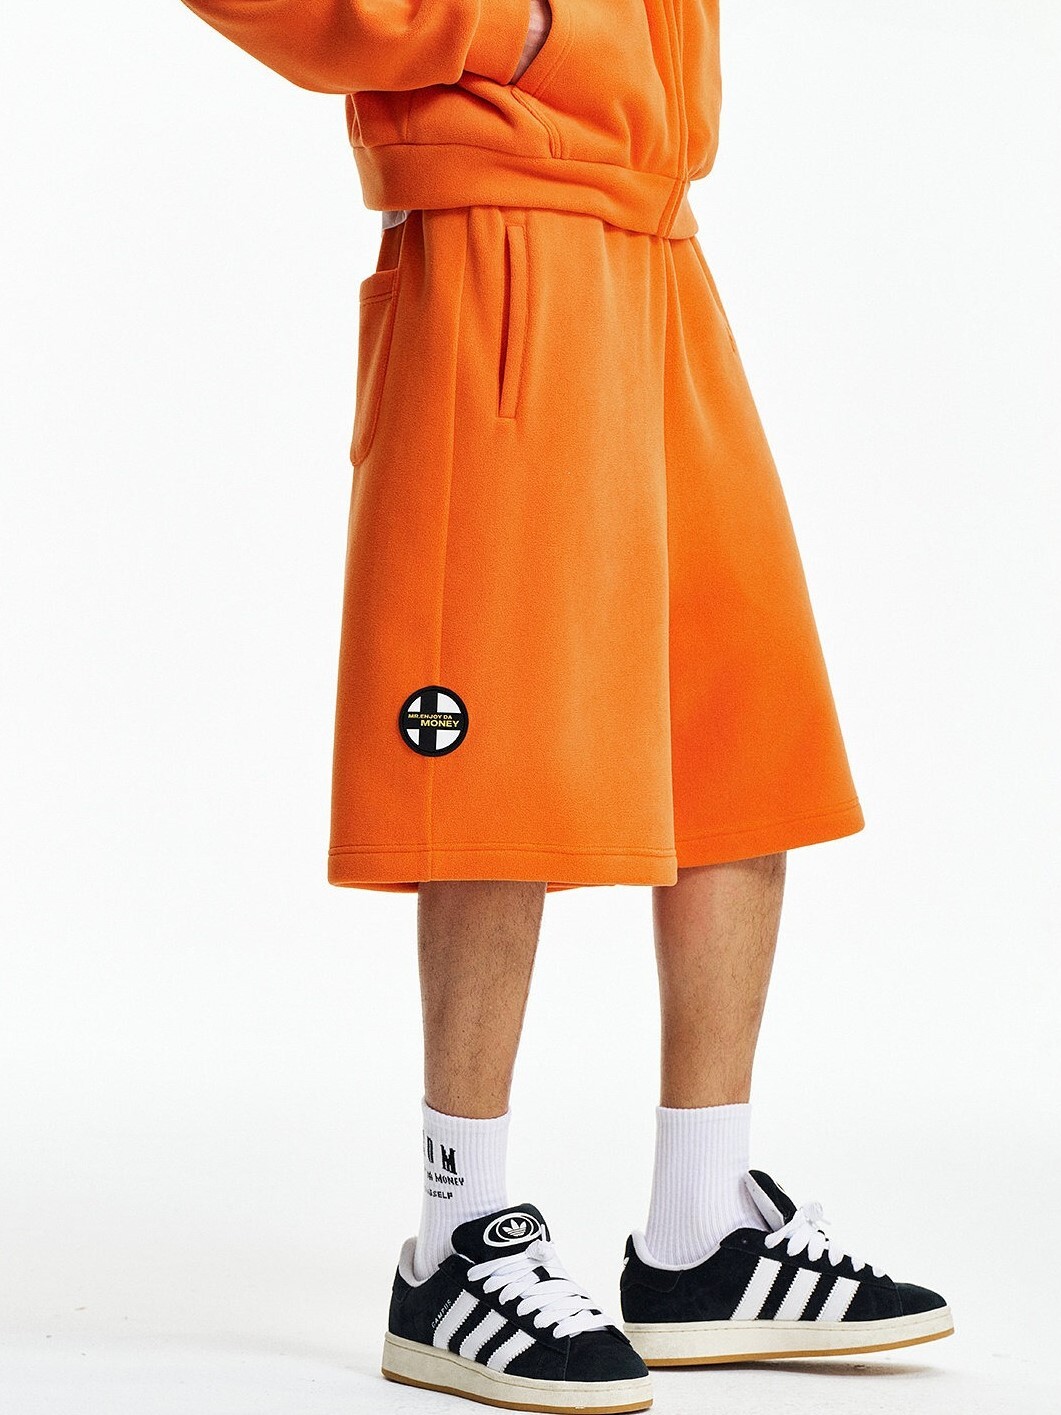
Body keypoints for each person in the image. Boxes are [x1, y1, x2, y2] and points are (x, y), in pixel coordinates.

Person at [177, 2, 953, 1410]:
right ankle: (453, 1240)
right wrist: (508, 26)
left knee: (737, 731)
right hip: (500, 244)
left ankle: (701, 1234)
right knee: (501, 754)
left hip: (656, 239)